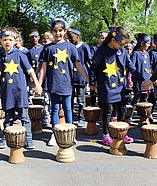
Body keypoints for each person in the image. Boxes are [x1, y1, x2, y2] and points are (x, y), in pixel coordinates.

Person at [38, 17, 89, 146]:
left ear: (64, 31)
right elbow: (43, 68)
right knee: (54, 108)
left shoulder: (71, 47)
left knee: (68, 108)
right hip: (53, 83)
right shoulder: (47, 49)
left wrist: (89, 80)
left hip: (67, 83)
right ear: (51, 32)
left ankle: (70, 133)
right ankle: (55, 134)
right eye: (55, 31)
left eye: (60, 30)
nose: (58, 33)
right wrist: (39, 83)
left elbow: (79, 65)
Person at [0, 27, 42, 149]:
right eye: (4, 39)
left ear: (15, 41)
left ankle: (28, 139)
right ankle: (5, 138)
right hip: (6, 91)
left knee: (24, 117)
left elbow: (30, 71)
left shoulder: (20, 54)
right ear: (1, 41)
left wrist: (37, 85)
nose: (7, 42)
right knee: (8, 117)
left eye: (10, 39)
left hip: (20, 91)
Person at [89, 27, 141, 146]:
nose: (123, 46)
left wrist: (142, 79)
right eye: (121, 43)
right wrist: (92, 82)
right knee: (108, 110)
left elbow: (130, 66)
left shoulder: (122, 51)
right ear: (113, 40)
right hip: (106, 85)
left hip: (119, 84)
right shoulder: (102, 50)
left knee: (122, 108)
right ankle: (105, 134)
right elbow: (94, 67)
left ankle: (121, 132)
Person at [67, 26, 92, 126]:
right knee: (70, 98)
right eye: (68, 37)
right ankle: (71, 117)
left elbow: (89, 62)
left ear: (77, 36)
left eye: (71, 37)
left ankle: (81, 117)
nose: (70, 39)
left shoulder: (84, 47)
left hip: (81, 77)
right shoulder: (69, 46)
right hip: (70, 76)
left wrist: (91, 76)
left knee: (81, 99)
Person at [90, 31, 108, 106]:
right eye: (102, 38)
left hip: (105, 74)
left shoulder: (108, 49)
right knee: (94, 93)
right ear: (98, 39)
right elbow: (90, 62)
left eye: (105, 38)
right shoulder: (94, 49)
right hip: (95, 73)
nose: (103, 40)